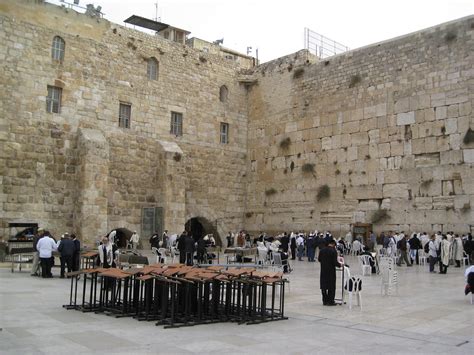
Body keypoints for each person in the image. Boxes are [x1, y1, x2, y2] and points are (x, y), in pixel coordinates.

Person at [318, 239, 341, 306]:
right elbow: (335, 262)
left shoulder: (322, 250)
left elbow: (319, 259)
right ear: (333, 244)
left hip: (323, 270)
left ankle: (325, 301)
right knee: (331, 286)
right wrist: (340, 265)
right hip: (331, 271)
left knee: (324, 286)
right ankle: (330, 301)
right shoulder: (333, 251)